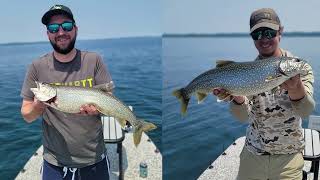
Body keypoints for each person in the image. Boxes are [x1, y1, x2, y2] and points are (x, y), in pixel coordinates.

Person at [213, 8, 315, 180]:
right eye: (257, 34)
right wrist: (236, 95)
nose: (264, 39)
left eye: (269, 32)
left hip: (288, 158)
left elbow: (305, 112)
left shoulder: (300, 67)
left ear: (280, 31)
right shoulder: (247, 72)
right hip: (253, 154)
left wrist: (296, 88)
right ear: (252, 37)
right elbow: (242, 117)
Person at [20, 5, 113, 180]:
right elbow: (26, 115)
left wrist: (98, 109)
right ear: (48, 34)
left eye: (67, 26)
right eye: (53, 28)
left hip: (94, 158)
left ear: (75, 29)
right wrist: (38, 106)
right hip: (55, 163)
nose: (61, 32)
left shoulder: (94, 60)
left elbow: (108, 99)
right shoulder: (36, 67)